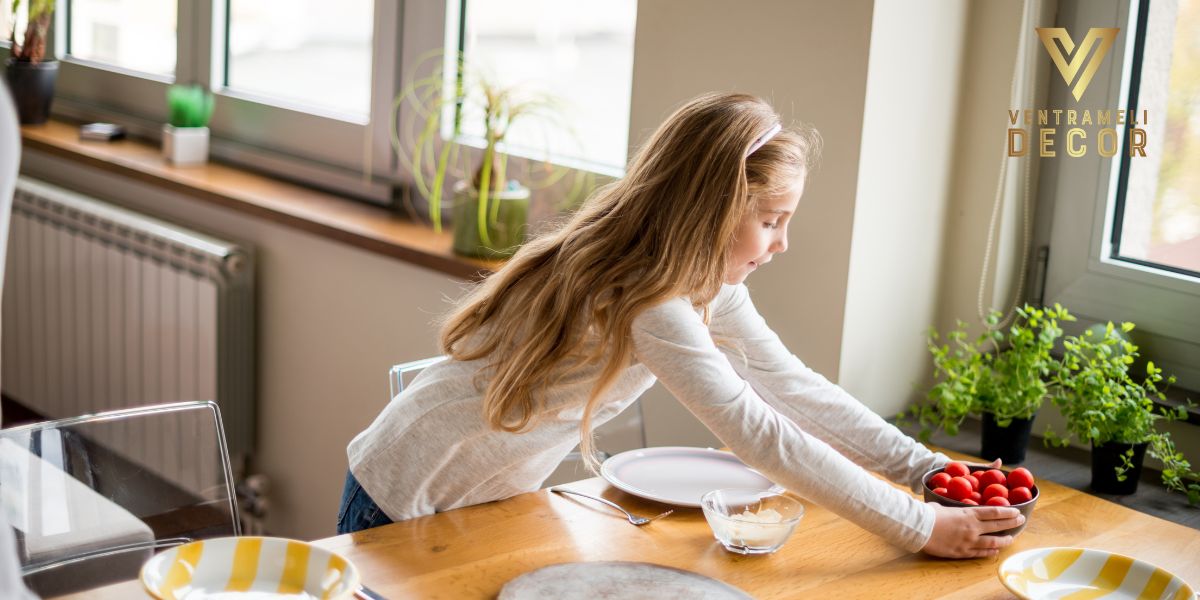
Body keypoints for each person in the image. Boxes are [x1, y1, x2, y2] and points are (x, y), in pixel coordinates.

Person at [341, 92, 1023, 558]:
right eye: (772, 220)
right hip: (404, 493)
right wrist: (919, 526)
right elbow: (758, 432)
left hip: (481, 500)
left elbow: (791, 387)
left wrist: (925, 467)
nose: (781, 244)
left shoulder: (700, 285)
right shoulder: (649, 301)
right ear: (714, 210)